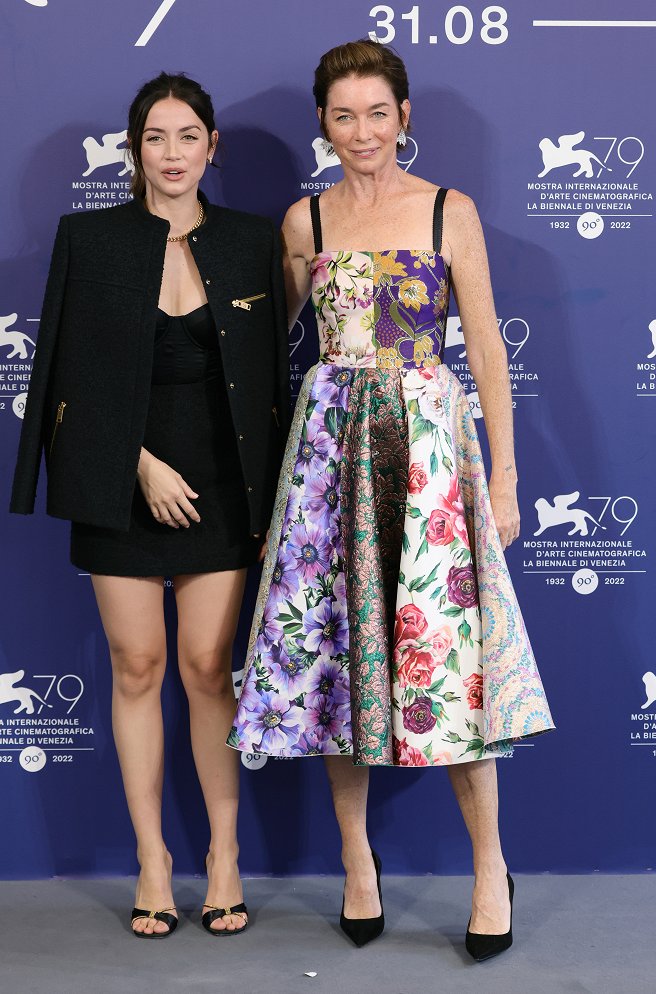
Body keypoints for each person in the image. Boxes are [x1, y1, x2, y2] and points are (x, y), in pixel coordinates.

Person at [229, 40, 554, 960]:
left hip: (429, 461)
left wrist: (503, 475)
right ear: (322, 125)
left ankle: (490, 869)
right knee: (339, 659)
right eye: (343, 115)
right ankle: (355, 863)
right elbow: (263, 353)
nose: (362, 132)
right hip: (328, 460)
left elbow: (486, 350)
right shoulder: (305, 223)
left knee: (447, 665)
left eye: (378, 112)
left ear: (404, 117)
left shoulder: (450, 211)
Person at [11, 72, 290, 938]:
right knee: (137, 668)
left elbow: (270, 364)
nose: (172, 155)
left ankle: (223, 857)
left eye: (187, 137)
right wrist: (137, 465)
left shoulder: (251, 243)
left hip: (222, 484)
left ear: (214, 148)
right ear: (135, 151)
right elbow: (61, 373)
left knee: (209, 669)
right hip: (120, 483)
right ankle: (152, 861)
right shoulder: (88, 240)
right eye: (155, 138)